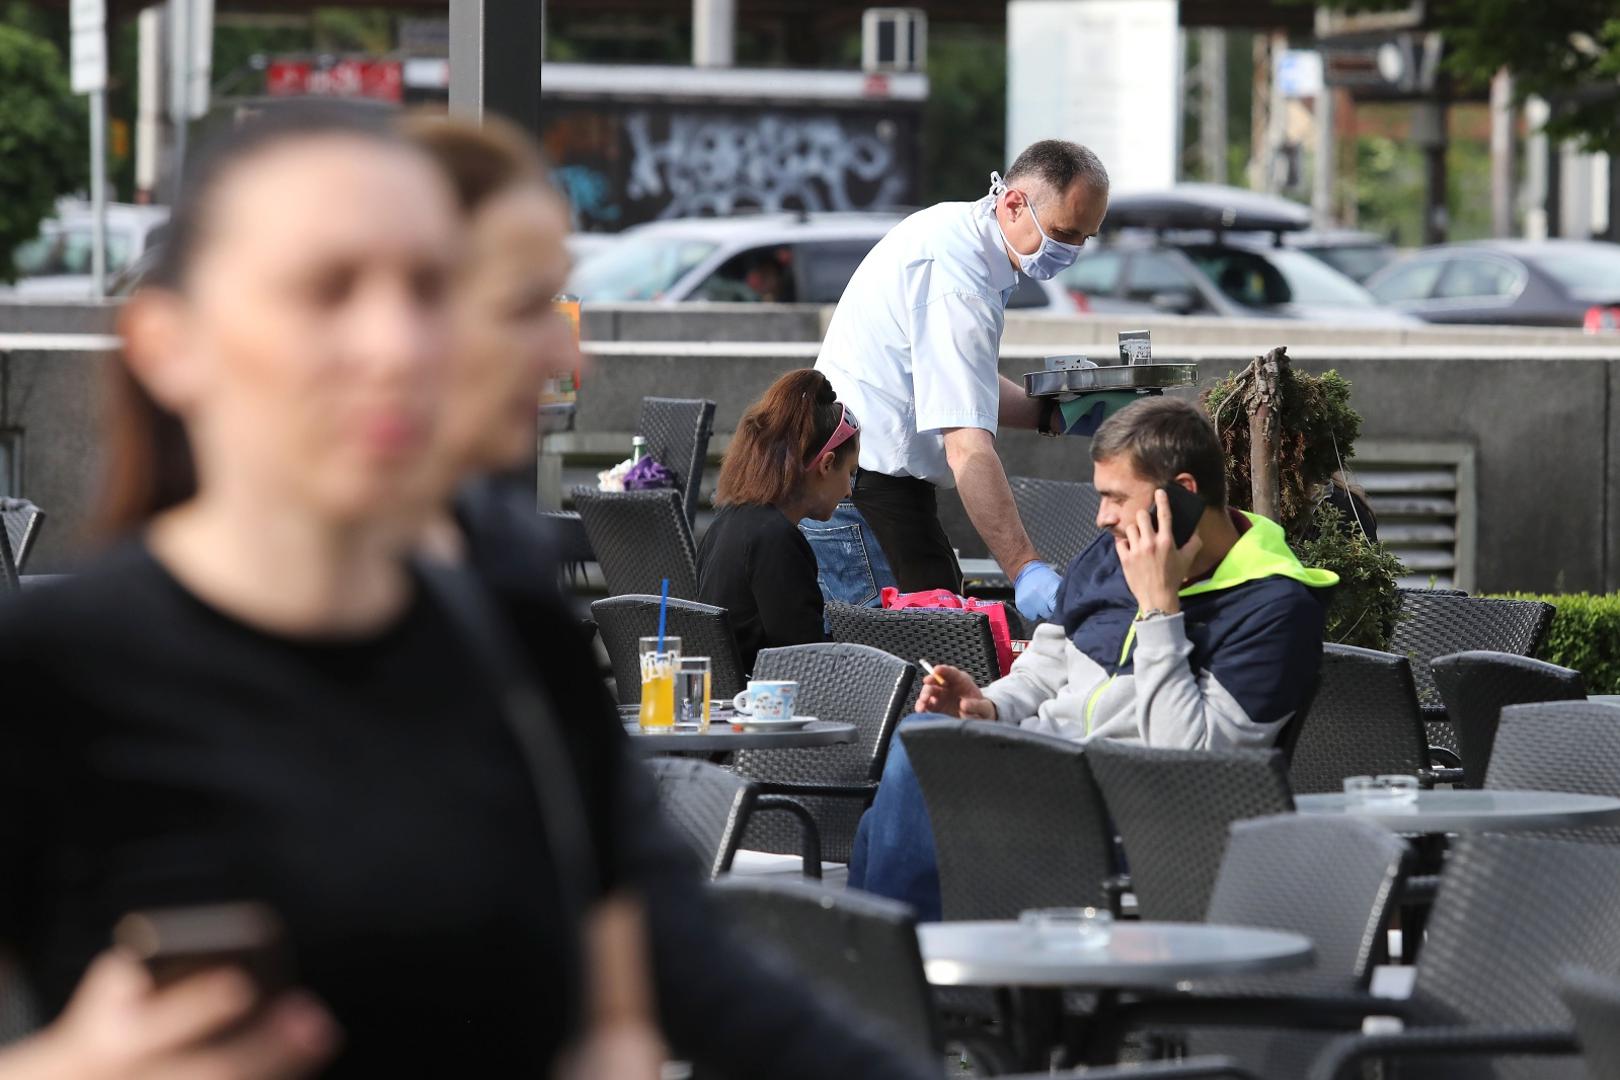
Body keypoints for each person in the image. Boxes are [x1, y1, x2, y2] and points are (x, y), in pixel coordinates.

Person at [0, 106, 657, 1077]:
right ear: (167, 345)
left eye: (430, 289)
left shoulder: (520, 636)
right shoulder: (47, 673)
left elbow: (613, 1023)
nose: (395, 345)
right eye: (326, 289)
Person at [404, 114, 936, 1079]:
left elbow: (667, 957)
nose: (569, 360)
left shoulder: (511, 598)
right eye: (523, 307)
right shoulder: (134, 655)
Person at [847, 397, 1338, 919]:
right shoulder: (1110, 554)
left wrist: (1159, 612)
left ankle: (897, 954)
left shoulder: (1273, 606)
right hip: (1049, 774)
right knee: (921, 743)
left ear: (1184, 494)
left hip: (1139, 818)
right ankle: (898, 949)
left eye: (1115, 498)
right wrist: (989, 707)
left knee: (913, 784)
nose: (1102, 518)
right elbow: (1045, 667)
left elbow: (1189, 763)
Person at [809, 139, 1110, 620]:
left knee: (947, 641)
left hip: (869, 487)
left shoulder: (956, 231)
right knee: (919, 656)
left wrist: (1053, 413)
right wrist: (1025, 567)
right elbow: (967, 449)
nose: (1071, 251)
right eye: (1063, 233)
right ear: (1013, 204)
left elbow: (961, 383)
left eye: (1085, 238)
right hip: (860, 497)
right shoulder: (960, 281)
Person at [696, 369, 857, 672]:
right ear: (826, 464)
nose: (849, 490)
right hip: (765, 699)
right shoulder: (777, 539)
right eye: (850, 472)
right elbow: (807, 663)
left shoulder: (728, 520)